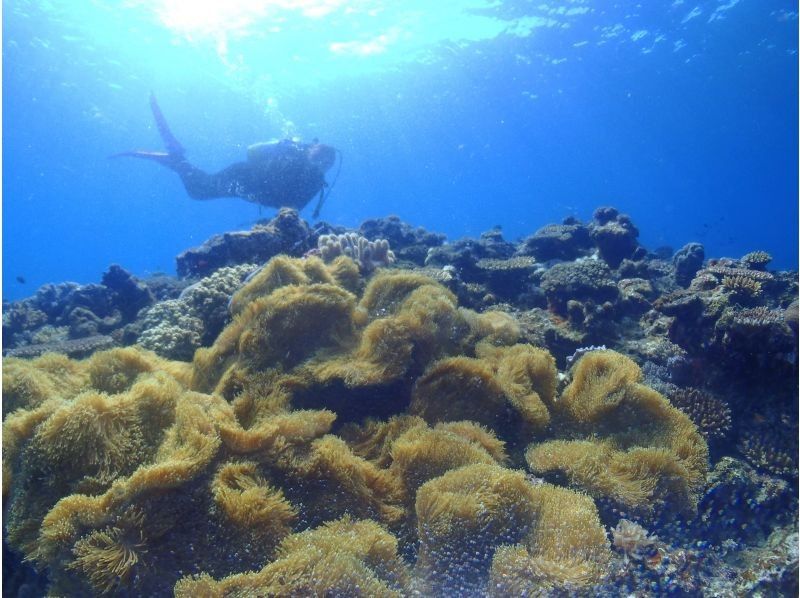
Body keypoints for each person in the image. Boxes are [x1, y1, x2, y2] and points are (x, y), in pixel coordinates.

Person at [113, 94, 339, 218]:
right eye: (321, 157)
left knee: (200, 189)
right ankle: (177, 158)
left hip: (250, 188)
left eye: (327, 163)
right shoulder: (293, 156)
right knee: (199, 190)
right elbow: (254, 154)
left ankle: (177, 160)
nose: (323, 164)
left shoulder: (315, 181)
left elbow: (291, 207)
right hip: (242, 178)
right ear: (311, 149)